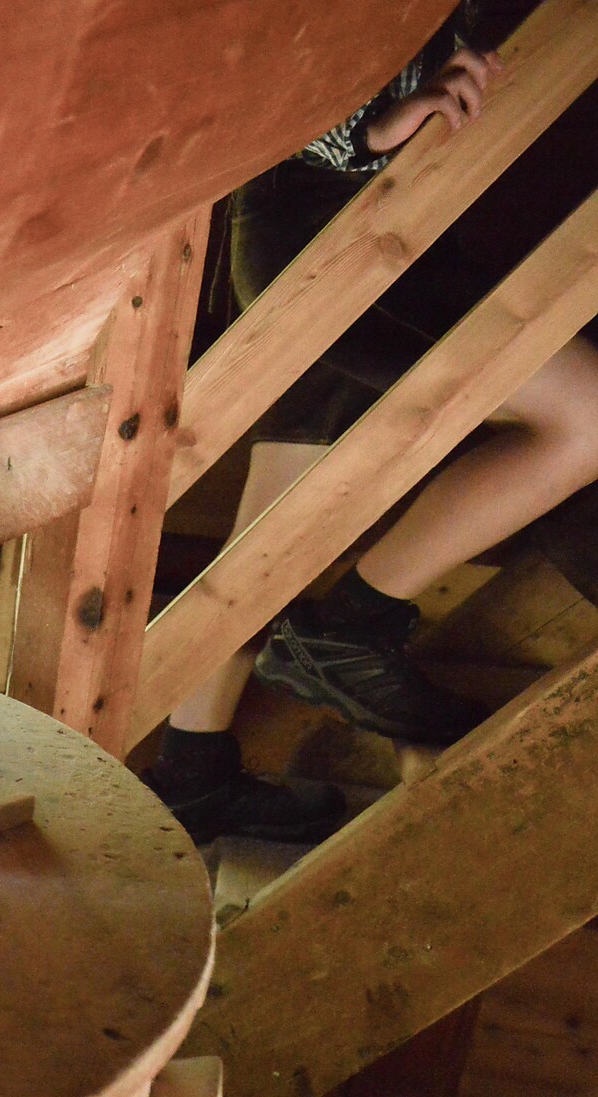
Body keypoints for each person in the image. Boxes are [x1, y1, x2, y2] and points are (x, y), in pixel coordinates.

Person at [146, 7, 598, 844]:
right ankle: (352, 631)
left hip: (378, 221)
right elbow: (264, 53)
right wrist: (376, 127)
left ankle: (191, 774)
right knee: (591, 416)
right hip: (342, 228)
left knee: (272, 536)